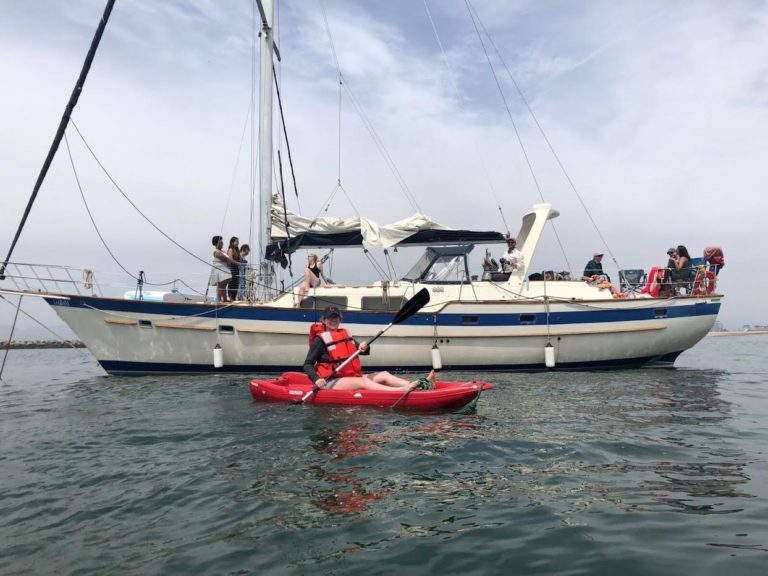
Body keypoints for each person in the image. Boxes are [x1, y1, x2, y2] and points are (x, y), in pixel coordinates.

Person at [303, 306, 435, 392]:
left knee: (383, 374)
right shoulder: (320, 340)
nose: (333, 320)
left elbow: (364, 352)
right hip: (329, 382)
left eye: (335, 317)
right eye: (330, 318)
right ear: (324, 320)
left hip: (348, 377)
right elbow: (307, 364)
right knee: (363, 381)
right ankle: (401, 390)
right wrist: (316, 379)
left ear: (339, 319)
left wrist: (364, 347)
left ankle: (419, 384)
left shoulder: (344, 335)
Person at [208, 235, 237, 302]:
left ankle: (225, 299)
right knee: (221, 285)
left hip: (225, 270)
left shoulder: (223, 251)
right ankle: (218, 299)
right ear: (216, 243)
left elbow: (228, 259)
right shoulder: (216, 252)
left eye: (222, 242)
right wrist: (235, 262)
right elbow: (226, 259)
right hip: (220, 271)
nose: (222, 243)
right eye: (220, 242)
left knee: (224, 285)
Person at [227, 237, 241, 301]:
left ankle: (234, 298)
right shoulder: (231, 250)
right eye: (236, 241)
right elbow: (230, 259)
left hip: (237, 269)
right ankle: (231, 298)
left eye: (238, 242)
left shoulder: (237, 250)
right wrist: (237, 263)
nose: (238, 243)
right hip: (232, 269)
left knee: (236, 284)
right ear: (232, 242)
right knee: (232, 283)